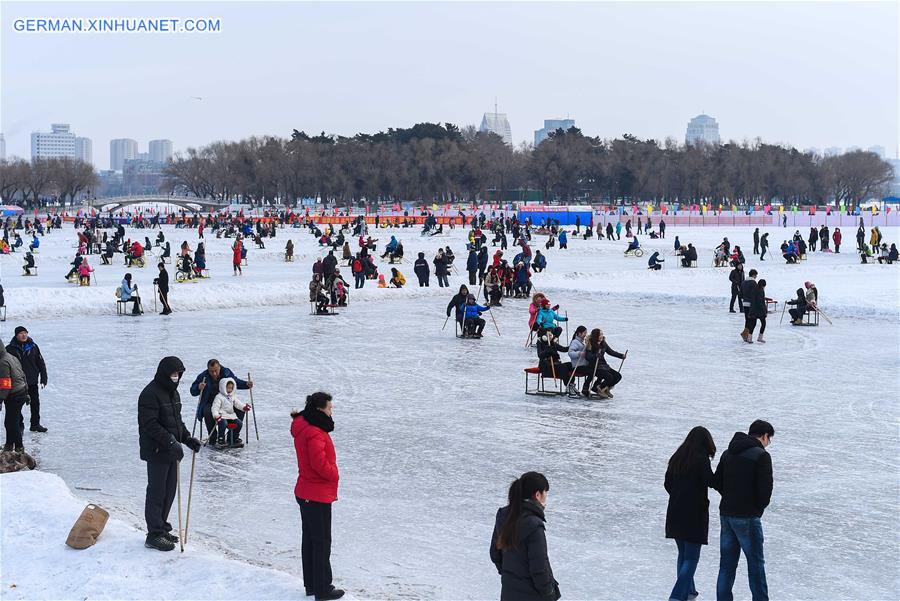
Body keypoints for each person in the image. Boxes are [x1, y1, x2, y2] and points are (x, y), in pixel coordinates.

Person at [138, 356, 202, 552]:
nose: (177, 377)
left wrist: (187, 438)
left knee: (169, 492)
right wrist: (171, 441)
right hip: (157, 451)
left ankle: (162, 526)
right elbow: (150, 425)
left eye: (179, 374)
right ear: (165, 374)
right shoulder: (150, 394)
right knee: (157, 492)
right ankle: (153, 534)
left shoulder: (173, 394)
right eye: (174, 374)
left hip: (171, 452)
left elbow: (176, 422)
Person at [714, 420, 775, 601]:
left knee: (726, 565)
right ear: (764, 436)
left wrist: (731, 497)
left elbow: (717, 481)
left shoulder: (727, 453)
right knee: (756, 565)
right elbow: (765, 491)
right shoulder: (761, 456)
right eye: (769, 439)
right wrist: (756, 509)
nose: (768, 443)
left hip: (726, 514)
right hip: (748, 517)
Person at [292, 392, 344, 600]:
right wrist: (335, 473)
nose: (332, 412)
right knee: (321, 541)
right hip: (315, 493)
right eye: (330, 408)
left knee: (311, 539)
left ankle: (312, 584)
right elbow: (319, 464)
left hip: (307, 491)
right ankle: (322, 588)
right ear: (320, 409)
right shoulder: (314, 432)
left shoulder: (306, 426)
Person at [489, 471, 560, 601]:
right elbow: (539, 569)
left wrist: (509, 575)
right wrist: (550, 595)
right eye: (546, 493)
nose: (546, 499)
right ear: (538, 495)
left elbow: (495, 553)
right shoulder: (534, 526)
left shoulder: (504, 516)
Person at [665, 426, 717, 601]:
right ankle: (677, 596)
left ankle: (689, 590)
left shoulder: (676, 458)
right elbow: (710, 480)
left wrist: (679, 495)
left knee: (683, 554)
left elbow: (667, 484)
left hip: (675, 512)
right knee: (692, 557)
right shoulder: (701, 459)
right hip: (694, 514)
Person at [189, 360, 252, 440]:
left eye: (216, 371)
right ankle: (213, 436)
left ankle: (232, 436)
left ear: (219, 367)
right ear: (208, 369)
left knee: (240, 409)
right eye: (211, 371)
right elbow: (192, 391)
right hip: (210, 402)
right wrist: (198, 387)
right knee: (207, 411)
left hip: (226, 401)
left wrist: (246, 384)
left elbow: (235, 382)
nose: (214, 373)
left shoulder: (226, 372)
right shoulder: (203, 376)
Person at [0, 341, 30, 452]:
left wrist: (0, 399)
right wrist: (26, 392)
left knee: (12, 423)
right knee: (11, 421)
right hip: (21, 391)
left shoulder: (2, 362)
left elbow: (5, 385)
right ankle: (9, 444)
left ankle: (19, 447)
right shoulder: (11, 356)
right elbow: (23, 375)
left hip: (14, 395)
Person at [581, 328, 625, 398]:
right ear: (596, 336)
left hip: (604, 365)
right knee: (609, 377)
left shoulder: (603, 343)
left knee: (618, 376)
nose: (602, 336)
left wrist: (621, 356)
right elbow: (588, 357)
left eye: (602, 334)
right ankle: (599, 388)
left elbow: (610, 351)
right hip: (595, 366)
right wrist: (595, 355)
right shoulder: (590, 344)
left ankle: (605, 389)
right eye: (600, 334)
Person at [210, 377, 251, 448]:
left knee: (239, 423)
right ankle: (221, 438)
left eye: (231, 388)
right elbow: (215, 407)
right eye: (228, 388)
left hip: (231, 415)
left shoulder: (232, 396)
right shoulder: (219, 397)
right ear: (223, 387)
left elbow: (238, 404)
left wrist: (244, 407)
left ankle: (233, 437)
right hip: (221, 416)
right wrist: (216, 415)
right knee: (223, 423)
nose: (229, 390)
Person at [739, 269, 758, 342]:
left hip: (745, 303)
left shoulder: (743, 282)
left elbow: (740, 294)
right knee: (752, 320)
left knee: (747, 319)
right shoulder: (753, 283)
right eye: (756, 275)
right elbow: (755, 294)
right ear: (753, 275)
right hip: (751, 304)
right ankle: (746, 334)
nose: (756, 277)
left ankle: (745, 334)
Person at [750, 279, 768, 343]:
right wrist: (765, 310)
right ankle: (760, 338)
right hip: (759, 311)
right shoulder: (760, 290)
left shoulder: (755, 289)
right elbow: (761, 302)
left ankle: (750, 338)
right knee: (763, 324)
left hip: (754, 310)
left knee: (753, 324)